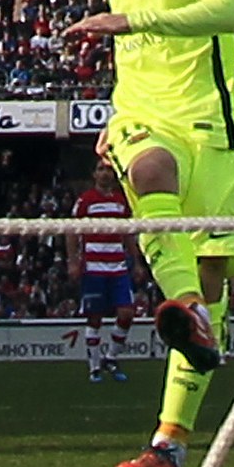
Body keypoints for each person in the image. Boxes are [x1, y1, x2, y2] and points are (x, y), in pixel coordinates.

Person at [63, 0, 234, 467]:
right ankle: (186, 309)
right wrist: (118, 112)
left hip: (213, 121)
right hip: (143, 113)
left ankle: (169, 444)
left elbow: (227, 11)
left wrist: (131, 19)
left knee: (211, 278)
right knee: (151, 174)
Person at [67, 161, 138, 383]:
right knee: (94, 318)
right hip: (94, 268)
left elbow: (128, 233)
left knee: (126, 313)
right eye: (100, 169)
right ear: (94, 174)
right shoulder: (85, 200)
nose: (105, 174)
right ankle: (94, 367)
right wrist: (73, 261)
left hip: (118, 266)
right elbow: (71, 231)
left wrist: (135, 261)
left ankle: (111, 358)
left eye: (108, 170)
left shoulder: (120, 201)